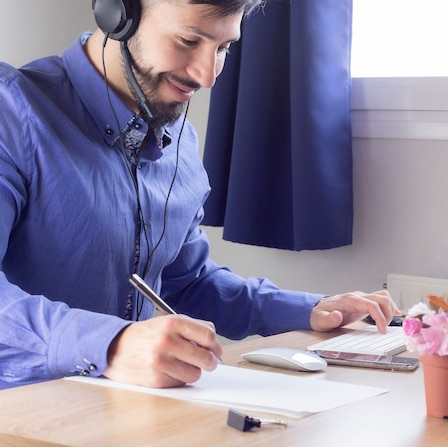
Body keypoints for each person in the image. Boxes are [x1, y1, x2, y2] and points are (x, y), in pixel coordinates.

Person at [0, 0, 399, 390]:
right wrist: (112, 344)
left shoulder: (176, 140)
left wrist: (310, 309)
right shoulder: (13, 112)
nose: (207, 75)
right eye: (189, 40)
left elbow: (185, 282)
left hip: (123, 413)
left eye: (224, 47)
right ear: (117, 13)